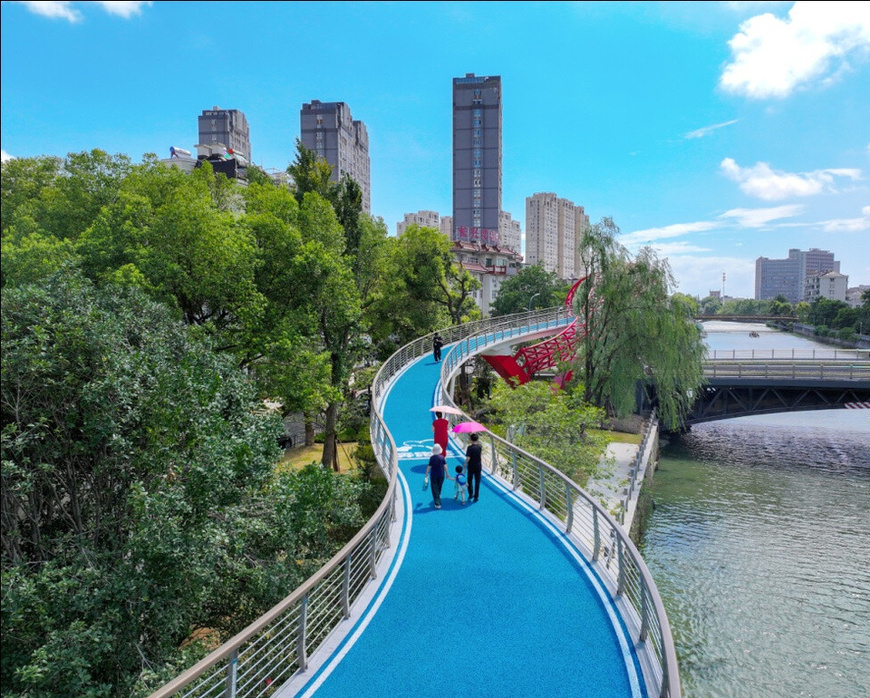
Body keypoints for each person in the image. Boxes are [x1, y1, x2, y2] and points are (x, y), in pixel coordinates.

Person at [425, 444, 449, 509]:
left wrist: (426, 473)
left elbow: (429, 466)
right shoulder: (442, 457)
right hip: (441, 474)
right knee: (439, 486)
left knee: (434, 488)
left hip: (434, 475)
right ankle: (439, 495)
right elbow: (445, 466)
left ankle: (437, 503)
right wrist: (447, 473)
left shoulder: (432, 458)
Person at [464, 433, 483, 502]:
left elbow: (468, 457)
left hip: (471, 465)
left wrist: (465, 463)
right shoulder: (480, 447)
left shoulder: (470, 448)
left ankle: (470, 493)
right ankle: (476, 496)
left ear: (471, 440)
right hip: (478, 465)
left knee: (469, 479)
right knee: (477, 481)